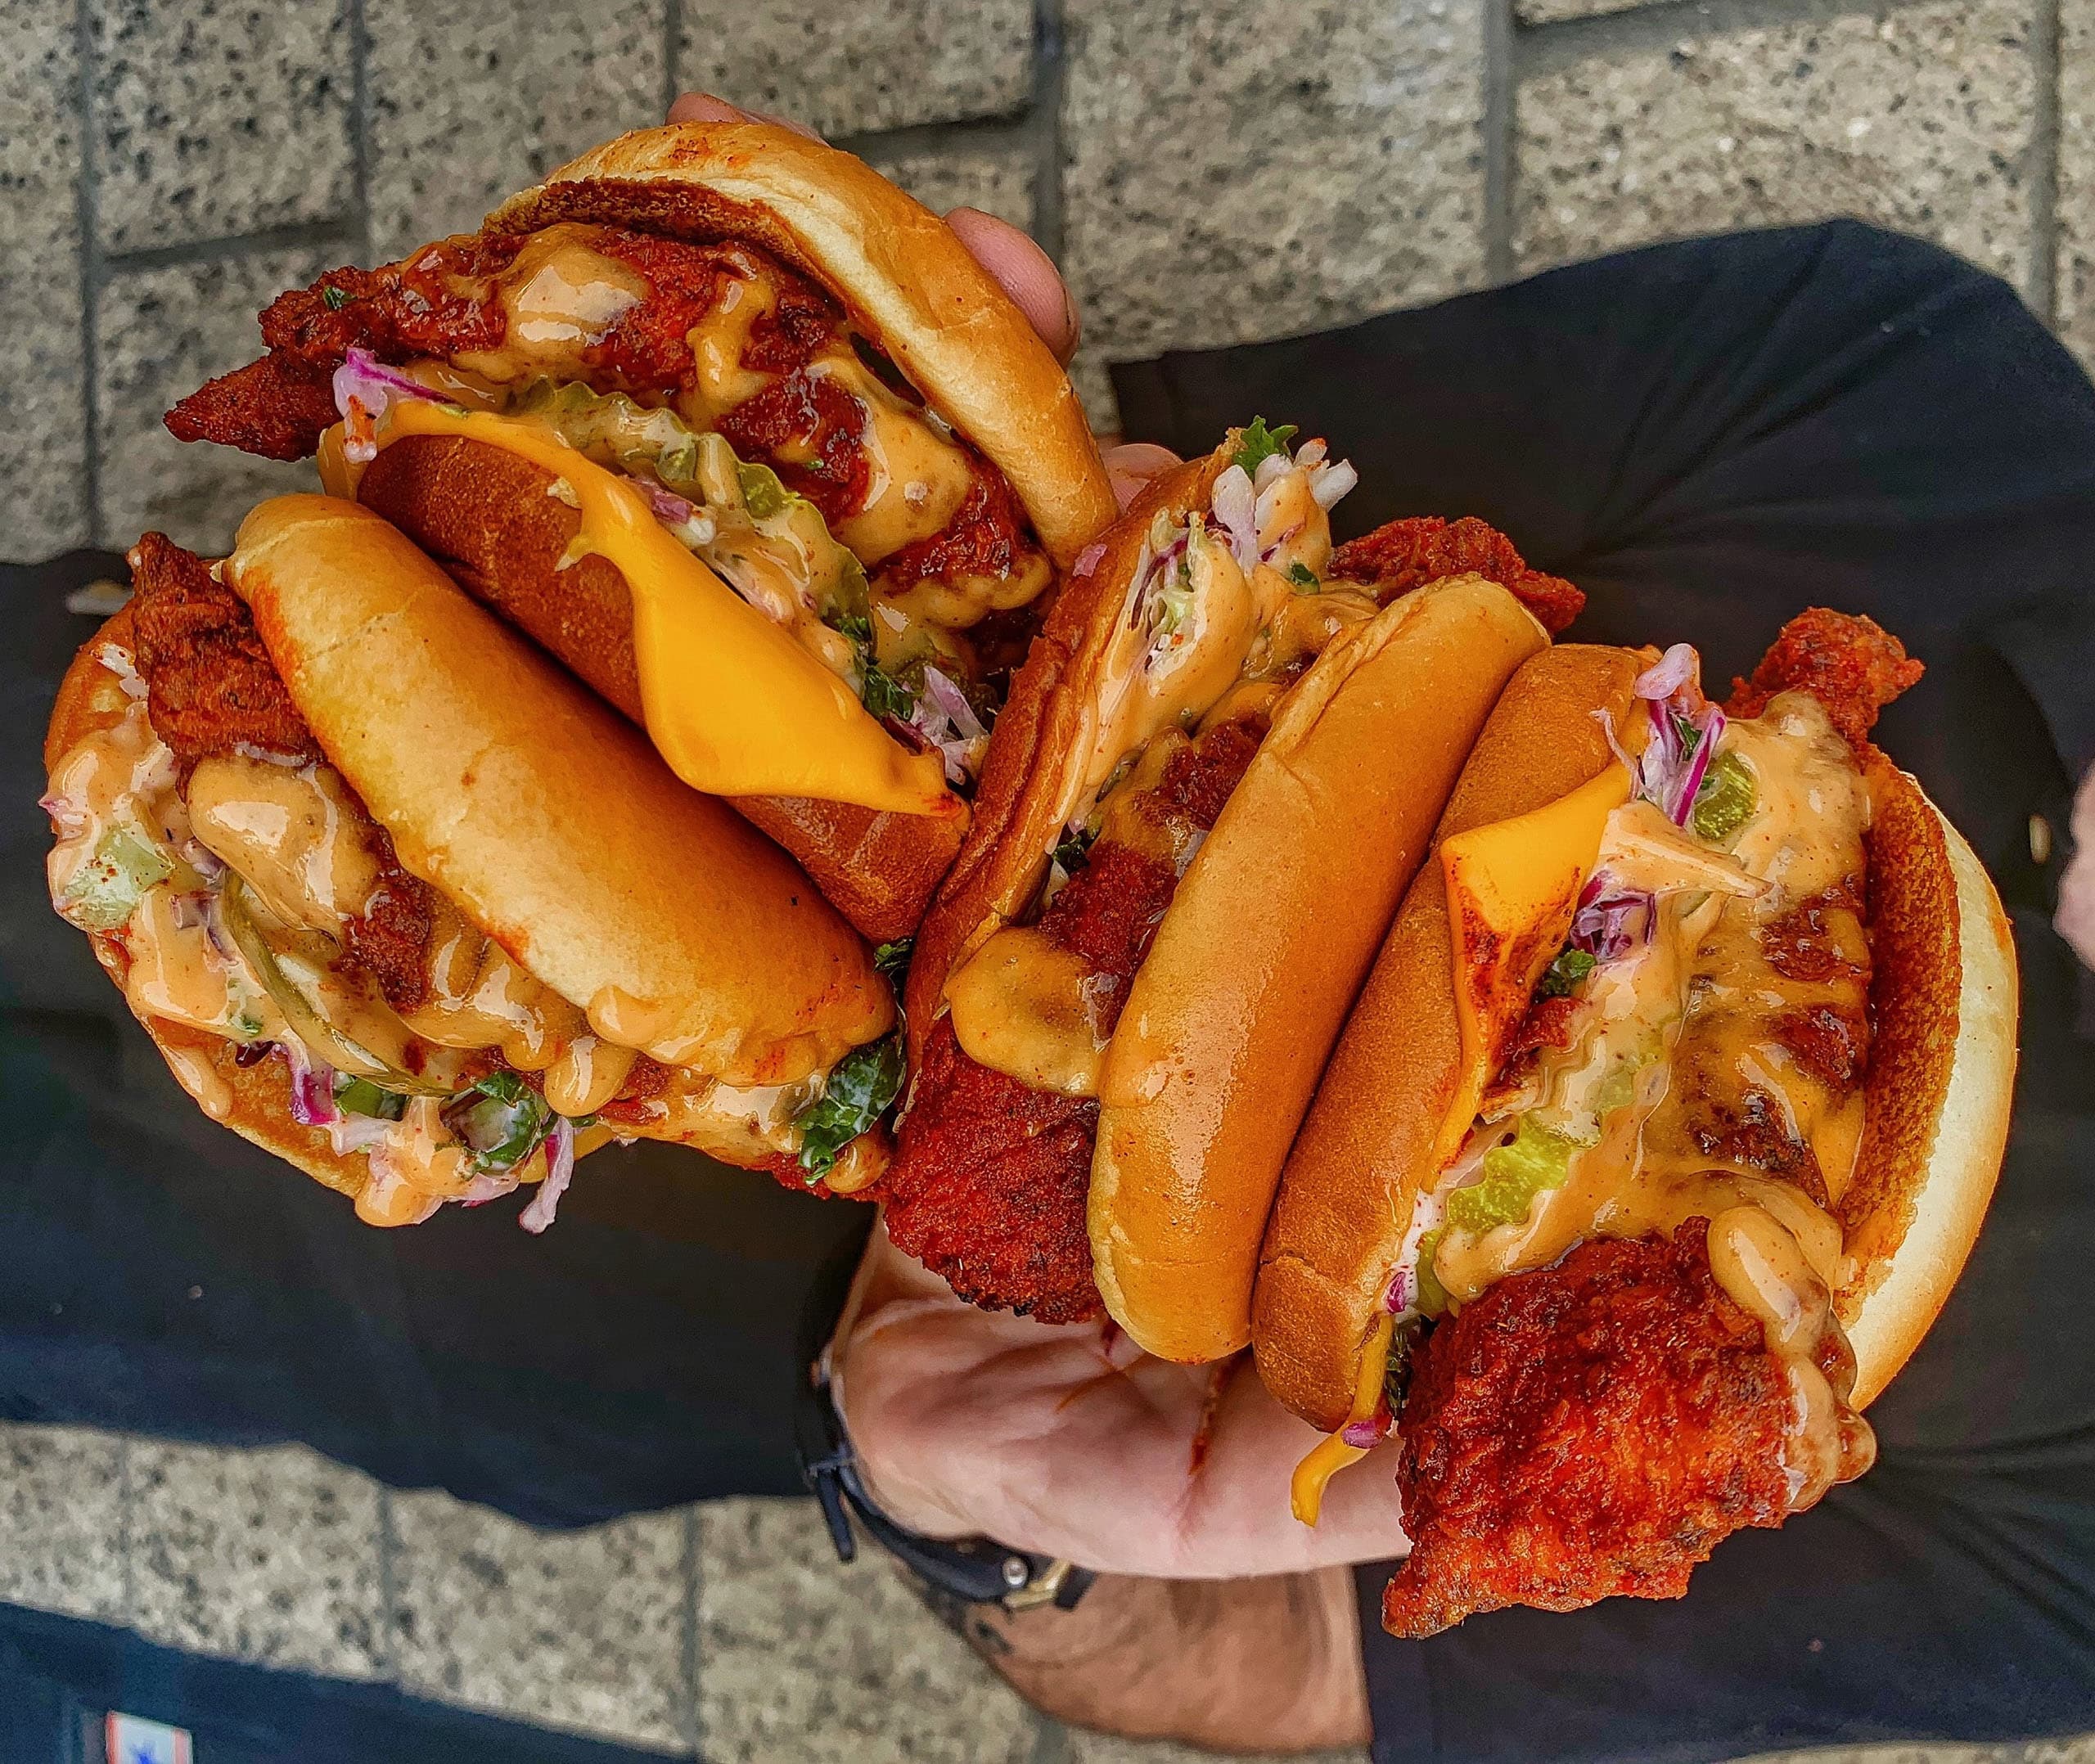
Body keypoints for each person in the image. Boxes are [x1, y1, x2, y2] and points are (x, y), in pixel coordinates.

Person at [2, 88, 2091, 1760]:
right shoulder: (1942, 411)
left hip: (474, 1313)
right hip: (310, 700)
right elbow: (1082, 502)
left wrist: (974, 1507)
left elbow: (1293, 1685)